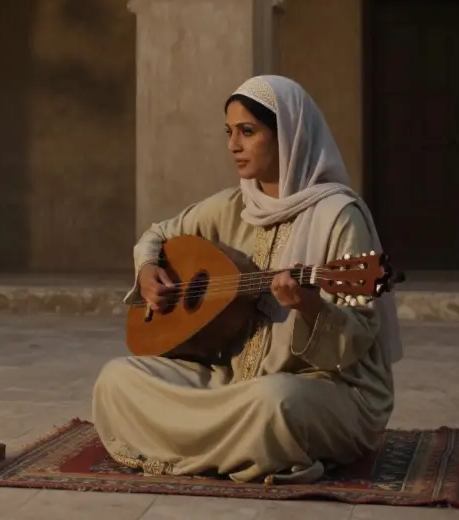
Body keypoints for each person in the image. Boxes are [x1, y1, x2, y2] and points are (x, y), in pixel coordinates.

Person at [91, 74, 404, 485]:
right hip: (235, 382)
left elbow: (359, 336)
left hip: (327, 389)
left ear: (286, 135)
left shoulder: (339, 216)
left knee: (275, 403)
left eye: (248, 131)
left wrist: (309, 306)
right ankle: (241, 448)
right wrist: (149, 270)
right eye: (229, 132)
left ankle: (194, 441)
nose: (233, 145)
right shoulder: (231, 206)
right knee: (116, 380)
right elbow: (157, 235)